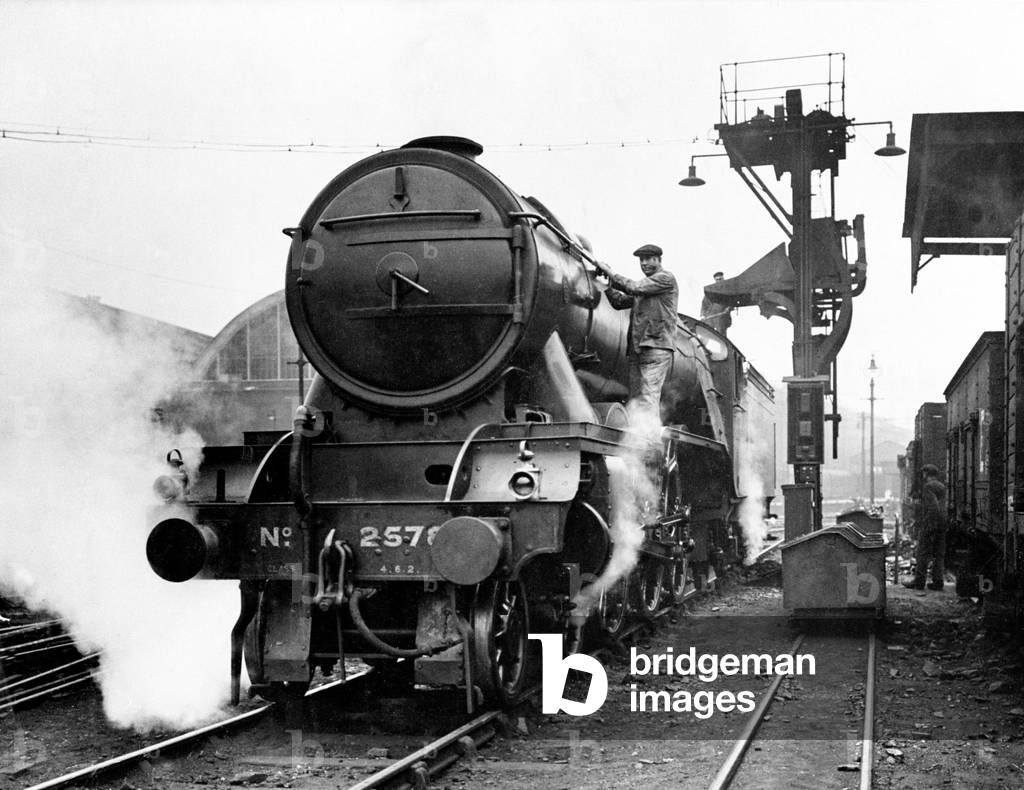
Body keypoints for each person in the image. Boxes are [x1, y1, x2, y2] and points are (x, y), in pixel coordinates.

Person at [594, 244, 679, 423]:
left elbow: (634, 287)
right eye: (642, 260)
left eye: (649, 259)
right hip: (637, 349)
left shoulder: (665, 278)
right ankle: (636, 441)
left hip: (656, 346)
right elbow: (619, 302)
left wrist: (610, 272)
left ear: (659, 260)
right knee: (635, 399)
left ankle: (649, 445)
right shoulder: (645, 288)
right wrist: (607, 285)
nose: (644, 263)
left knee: (648, 397)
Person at [905, 464, 948, 591]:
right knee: (939, 554)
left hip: (931, 523)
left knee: (922, 553)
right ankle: (938, 582)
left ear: (926, 474)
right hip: (942, 523)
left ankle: (919, 582)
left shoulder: (928, 487)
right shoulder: (942, 486)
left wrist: (929, 524)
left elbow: (933, 507)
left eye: (923, 474)